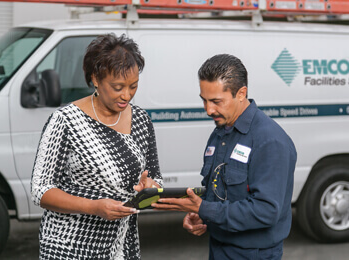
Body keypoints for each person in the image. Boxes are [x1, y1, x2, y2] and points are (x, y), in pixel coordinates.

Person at [152, 54, 297, 259]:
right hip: (219, 248)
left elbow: (265, 211)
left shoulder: (270, 141)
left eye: (216, 101)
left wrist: (205, 209)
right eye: (204, 100)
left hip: (253, 254)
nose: (208, 110)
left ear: (241, 93)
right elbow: (219, 191)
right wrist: (200, 213)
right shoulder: (221, 131)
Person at [31, 33, 162, 259]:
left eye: (133, 86)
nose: (127, 95)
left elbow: (157, 181)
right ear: (95, 79)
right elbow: (40, 190)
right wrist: (93, 207)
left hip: (122, 245)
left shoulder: (141, 120)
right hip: (69, 247)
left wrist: (149, 189)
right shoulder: (66, 120)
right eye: (118, 86)